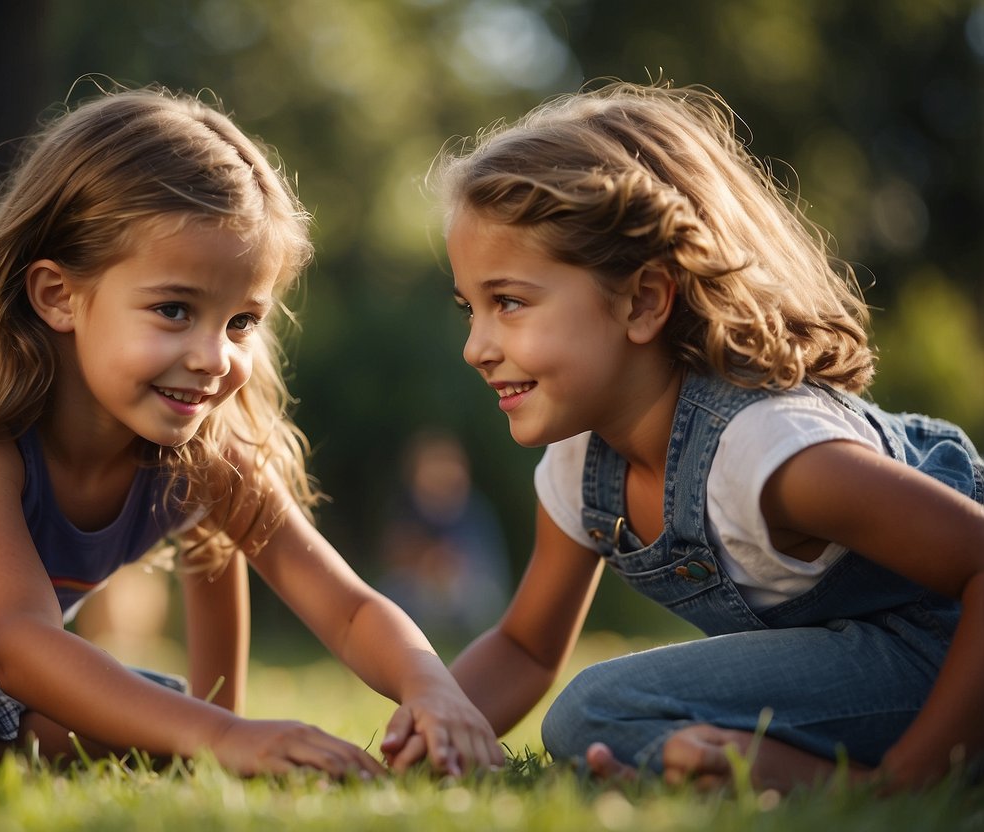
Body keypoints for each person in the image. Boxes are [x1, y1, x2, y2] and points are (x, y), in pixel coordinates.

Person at [0, 86, 503, 778]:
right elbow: (24, 644)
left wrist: (425, 685)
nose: (214, 357)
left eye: (241, 321)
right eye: (174, 311)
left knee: (153, 728)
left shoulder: (203, 450)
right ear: (60, 296)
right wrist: (222, 735)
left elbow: (343, 607)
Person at [382, 80, 984, 792]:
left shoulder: (766, 449)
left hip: (947, 660)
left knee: (598, 712)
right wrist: (431, 721)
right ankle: (775, 772)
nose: (475, 346)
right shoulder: (581, 461)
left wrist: (913, 779)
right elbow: (524, 645)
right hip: (862, 664)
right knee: (610, 726)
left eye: (508, 302)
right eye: (470, 309)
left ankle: (876, 781)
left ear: (641, 301)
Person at [376, 430, 509, 643]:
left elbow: (487, 566)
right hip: (419, 591)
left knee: (481, 600)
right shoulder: (405, 508)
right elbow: (393, 557)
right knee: (390, 596)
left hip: (465, 591)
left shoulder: (474, 510)